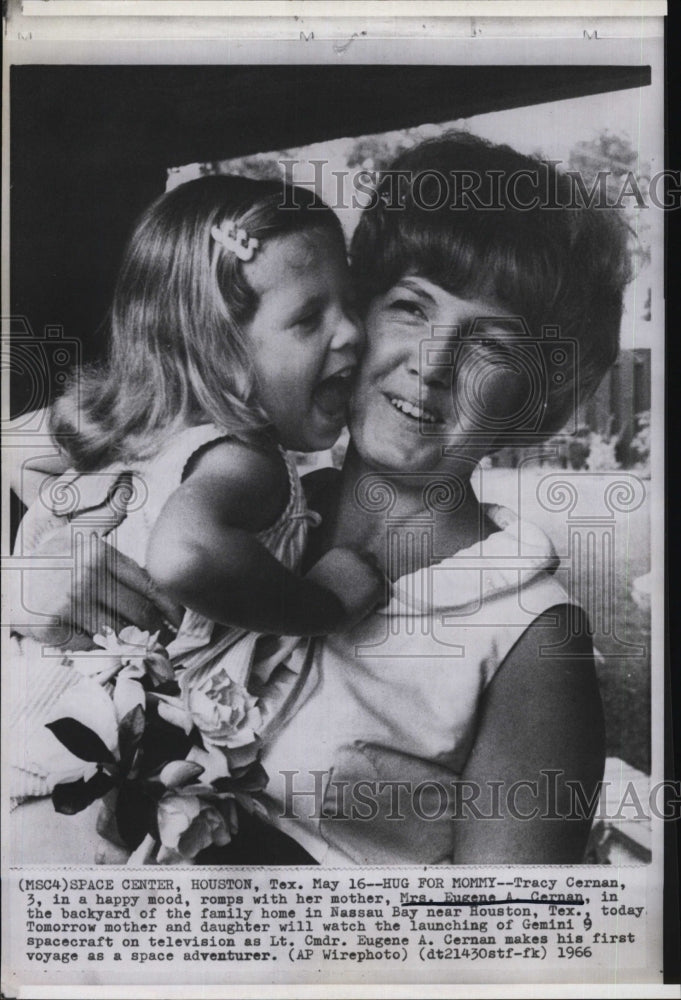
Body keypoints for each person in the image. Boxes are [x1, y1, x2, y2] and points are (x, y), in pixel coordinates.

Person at [9, 132, 631, 864]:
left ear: (535, 394)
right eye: (410, 307)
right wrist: (31, 586)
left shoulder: (531, 639)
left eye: (490, 344)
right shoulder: (238, 506)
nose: (432, 364)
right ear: (354, 314)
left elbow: (504, 932)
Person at [9, 174, 384, 805]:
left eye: (351, 304)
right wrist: (326, 603)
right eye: (307, 318)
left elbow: (17, 454)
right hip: (82, 770)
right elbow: (184, 557)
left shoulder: (138, 439)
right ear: (219, 349)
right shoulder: (245, 460)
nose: (350, 332)